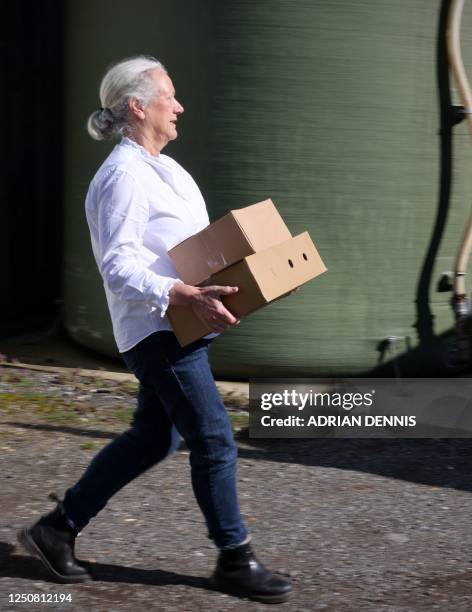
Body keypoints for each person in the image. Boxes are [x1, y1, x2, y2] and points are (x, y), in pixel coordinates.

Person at [17, 55, 291, 604]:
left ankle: (56, 529)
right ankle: (234, 559)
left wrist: (254, 270)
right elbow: (117, 266)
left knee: (152, 437)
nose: (180, 105)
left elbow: (188, 251)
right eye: (170, 95)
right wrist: (181, 294)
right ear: (138, 106)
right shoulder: (122, 177)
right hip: (157, 330)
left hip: (180, 325)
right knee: (213, 439)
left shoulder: (167, 170)